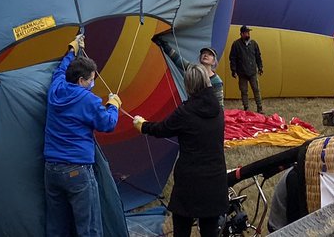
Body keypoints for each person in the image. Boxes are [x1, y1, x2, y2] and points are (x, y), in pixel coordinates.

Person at [133, 64, 227, 237]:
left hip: (190, 180)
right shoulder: (218, 110)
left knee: (182, 226)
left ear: (189, 85)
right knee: (210, 230)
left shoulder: (185, 112)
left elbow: (161, 129)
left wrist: (142, 125)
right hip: (216, 178)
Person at [44, 33, 121, 237]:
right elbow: (108, 124)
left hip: (51, 169)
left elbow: (60, 70)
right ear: (81, 80)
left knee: (56, 228)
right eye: (91, 80)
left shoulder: (56, 89)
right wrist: (113, 106)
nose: (93, 83)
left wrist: (72, 50)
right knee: (89, 228)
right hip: (77, 170)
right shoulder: (88, 100)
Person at [154, 34, 224, 101]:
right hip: (192, 107)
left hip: (206, 111)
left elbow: (219, 103)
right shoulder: (194, 70)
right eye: (204, 53)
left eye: (210, 54)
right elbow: (178, 60)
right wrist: (164, 45)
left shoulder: (216, 81)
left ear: (213, 62)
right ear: (200, 58)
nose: (206, 55)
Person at [229, 25, 264, 113]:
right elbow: (232, 58)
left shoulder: (254, 44)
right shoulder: (236, 44)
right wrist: (233, 70)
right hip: (242, 72)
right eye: (245, 33)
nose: (247, 34)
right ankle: (246, 108)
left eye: (248, 32)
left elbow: (258, 56)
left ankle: (259, 108)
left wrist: (260, 67)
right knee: (244, 91)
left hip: (252, 71)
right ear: (241, 34)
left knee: (256, 90)